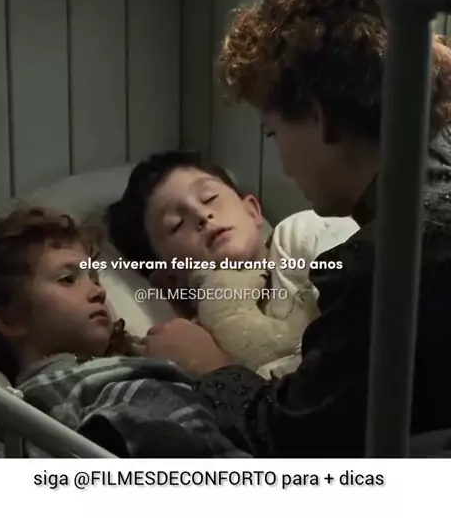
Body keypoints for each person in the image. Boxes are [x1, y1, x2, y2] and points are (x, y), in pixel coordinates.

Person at [133, 0, 451, 457]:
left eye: (272, 132)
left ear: (318, 117)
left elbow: (294, 435)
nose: (280, 161)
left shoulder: (386, 266)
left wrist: (211, 366)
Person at [0, 207, 250, 458]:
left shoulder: (139, 364)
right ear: (11, 318)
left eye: (95, 279)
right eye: (68, 279)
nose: (98, 291)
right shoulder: (21, 405)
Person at [106, 150, 356, 377]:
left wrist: (217, 368)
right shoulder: (201, 338)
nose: (202, 215)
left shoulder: (303, 235)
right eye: (176, 224)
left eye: (209, 197)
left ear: (252, 211)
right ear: (169, 280)